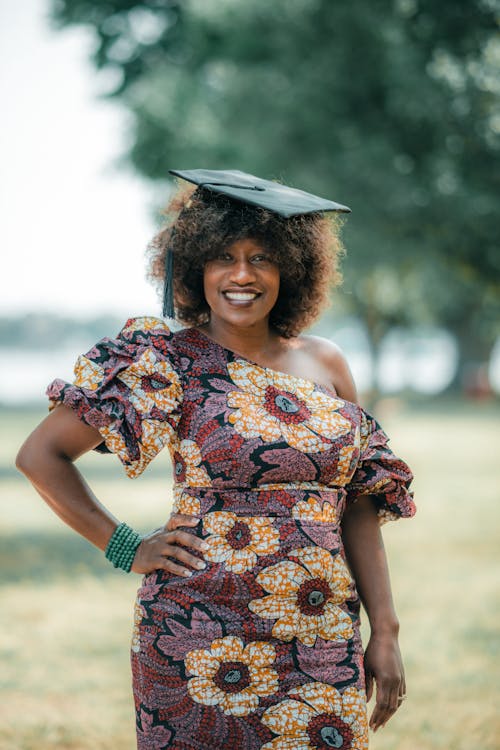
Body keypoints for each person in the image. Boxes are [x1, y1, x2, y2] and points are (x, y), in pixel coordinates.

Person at [16, 169, 416, 749]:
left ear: (293, 270)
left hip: (321, 630)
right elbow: (40, 455)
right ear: (193, 267)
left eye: (262, 258)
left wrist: (386, 629)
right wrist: (126, 546)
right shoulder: (168, 361)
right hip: (198, 632)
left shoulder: (327, 365)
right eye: (222, 256)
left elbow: (356, 502)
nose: (242, 275)